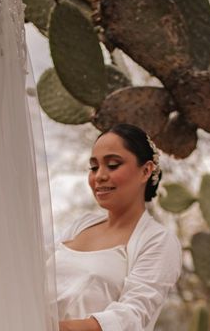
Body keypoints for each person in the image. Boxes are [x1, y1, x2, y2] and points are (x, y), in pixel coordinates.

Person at [55, 123, 183, 331]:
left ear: (146, 171)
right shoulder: (81, 225)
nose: (99, 176)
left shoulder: (158, 241)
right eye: (94, 167)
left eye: (113, 165)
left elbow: (131, 316)